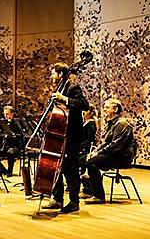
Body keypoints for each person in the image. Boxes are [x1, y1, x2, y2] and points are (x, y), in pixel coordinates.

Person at [42, 62, 89, 213]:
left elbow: (84, 104)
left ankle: (74, 202)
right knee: (57, 166)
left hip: (72, 135)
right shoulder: (59, 88)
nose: (51, 76)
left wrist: (65, 99)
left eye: (53, 73)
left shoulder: (72, 87)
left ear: (60, 74)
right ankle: (57, 199)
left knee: (71, 169)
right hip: (61, 134)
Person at [85, 98, 136, 204]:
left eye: (107, 107)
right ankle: (88, 190)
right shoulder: (111, 123)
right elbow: (105, 142)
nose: (105, 110)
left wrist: (98, 153)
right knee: (83, 159)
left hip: (122, 156)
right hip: (113, 154)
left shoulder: (122, 124)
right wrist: (94, 152)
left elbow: (116, 145)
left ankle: (99, 196)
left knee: (91, 163)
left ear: (115, 109)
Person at [0, 106, 23, 177]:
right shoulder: (3, 123)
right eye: (5, 114)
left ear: (12, 114)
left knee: (10, 152)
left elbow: (21, 136)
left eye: (7, 114)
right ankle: (2, 170)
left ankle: (9, 171)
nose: (6, 116)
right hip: (6, 145)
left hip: (15, 145)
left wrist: (14, 135)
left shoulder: (16, 123)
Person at [79, 104, 98, 196]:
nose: (83, 113)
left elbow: (90, 139)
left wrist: (80, 146)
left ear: (90, 113)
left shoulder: (91, 123)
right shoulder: (86, 122)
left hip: (87, 149)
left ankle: (87, 189)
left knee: (82, 164)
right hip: (84, 147)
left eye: (85, 111)